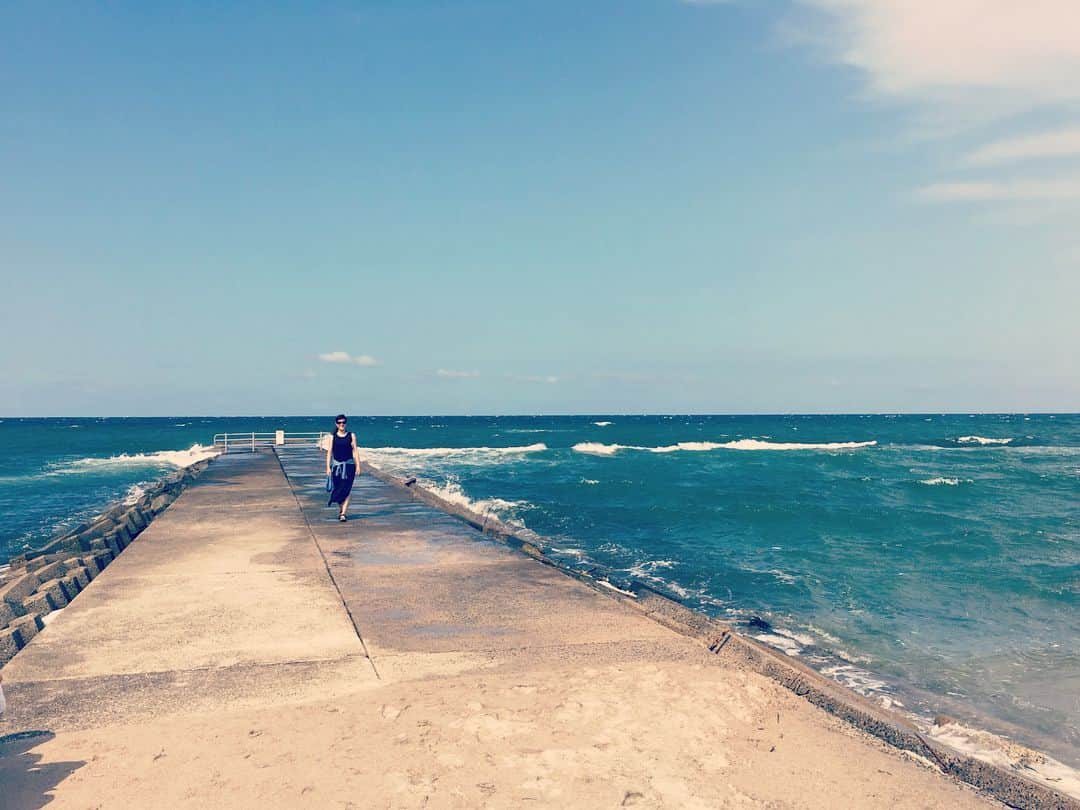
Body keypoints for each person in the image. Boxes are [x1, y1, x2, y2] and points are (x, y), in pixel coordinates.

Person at [325, 414, 360, 521]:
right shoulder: (332, 437)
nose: (342, 424)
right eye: (339, 422)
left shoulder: (351, 435)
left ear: (346, 423)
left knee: (346, 489)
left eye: (343, 422)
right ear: (336, 424)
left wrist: (358, 465)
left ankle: (343, 513)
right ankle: (341, 510)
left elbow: (355, 451)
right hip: (336, 467)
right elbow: (329, 452)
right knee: (338, 489)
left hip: (349, 466)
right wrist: (327, 467)